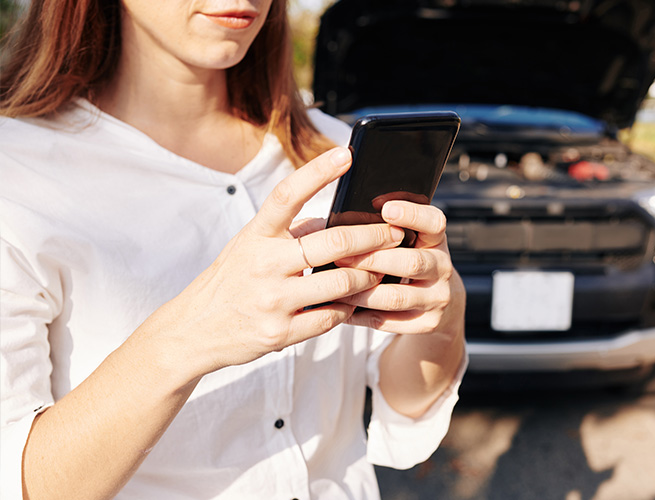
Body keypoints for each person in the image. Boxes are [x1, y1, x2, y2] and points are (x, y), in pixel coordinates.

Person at [0, 1, 467, 499]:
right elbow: (21, 482)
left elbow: (405, 403)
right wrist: (191, 335)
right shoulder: (17, 175)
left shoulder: (335, 152)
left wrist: (443, 317)